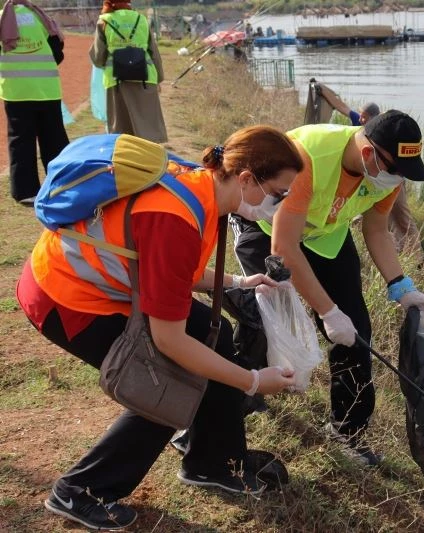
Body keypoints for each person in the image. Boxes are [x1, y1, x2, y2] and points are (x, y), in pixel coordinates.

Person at [16, 125, 304, 530]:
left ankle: (215, 462)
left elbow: (169, 268)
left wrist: (239, 282)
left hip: (105, 286)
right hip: (64, 299)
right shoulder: (178, 217)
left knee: (211, 335)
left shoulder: (204, 189)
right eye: (278, 193)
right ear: (245, 179)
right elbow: (169, 341)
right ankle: (81, 490)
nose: (279, 204)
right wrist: (252, 381)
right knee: (166, 381)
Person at [231, 111, 424, 466]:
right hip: (266, 226)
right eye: (395, 172)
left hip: (324, 235)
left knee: (356, 331)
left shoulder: (388, 176)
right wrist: (327, 311)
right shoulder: (308, 160)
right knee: (264, 322)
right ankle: (224, 409)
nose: (398, 181)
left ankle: (348, 432)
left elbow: (376, 230)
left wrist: (401, 285)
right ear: (368, 155)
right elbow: (284, 250)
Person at [317, 85, 423, 260]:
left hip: (389, 175)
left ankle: (416, 258)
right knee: (374, 219)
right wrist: (322, 90)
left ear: (372, 117)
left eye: (364, 116)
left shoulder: (385, 132)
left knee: (401, 217)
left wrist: (394, 174)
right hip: (368, 179)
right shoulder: (359, 125)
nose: (361, 119)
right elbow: (340, 105)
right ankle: (388, 252)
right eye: (360, 116)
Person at [0, 0, 69, 206]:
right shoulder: (41, 17)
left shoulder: (2, 17)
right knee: (54, 139)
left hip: (16, 91)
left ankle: (25, 191)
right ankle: (61, 184)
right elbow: (57, 51)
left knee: (20, 141)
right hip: (47, 89)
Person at [89, 0, 167, 143]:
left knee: (120, 129)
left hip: (116, 80)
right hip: (145, 78)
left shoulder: (104, 21)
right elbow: (154, 52)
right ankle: (149, 160)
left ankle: (126, 161)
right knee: (148, 127)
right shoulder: (141, 19)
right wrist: (159, 79)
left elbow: (98, 57)